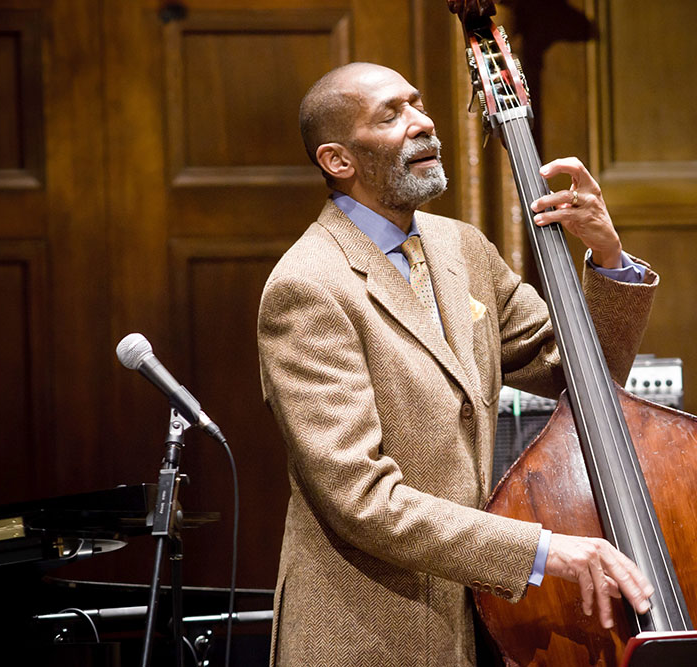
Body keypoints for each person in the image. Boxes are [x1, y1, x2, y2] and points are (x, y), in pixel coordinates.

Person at [257, 62, 658, 666]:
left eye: (417, 104)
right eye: (390, 116)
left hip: (476, 623)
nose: (422, 123)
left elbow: (577, 372)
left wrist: (607, 256)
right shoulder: (307, 285)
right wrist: (544, 551)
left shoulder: (460, 246)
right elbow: (361, 498)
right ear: (338, 160)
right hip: (367, 632)